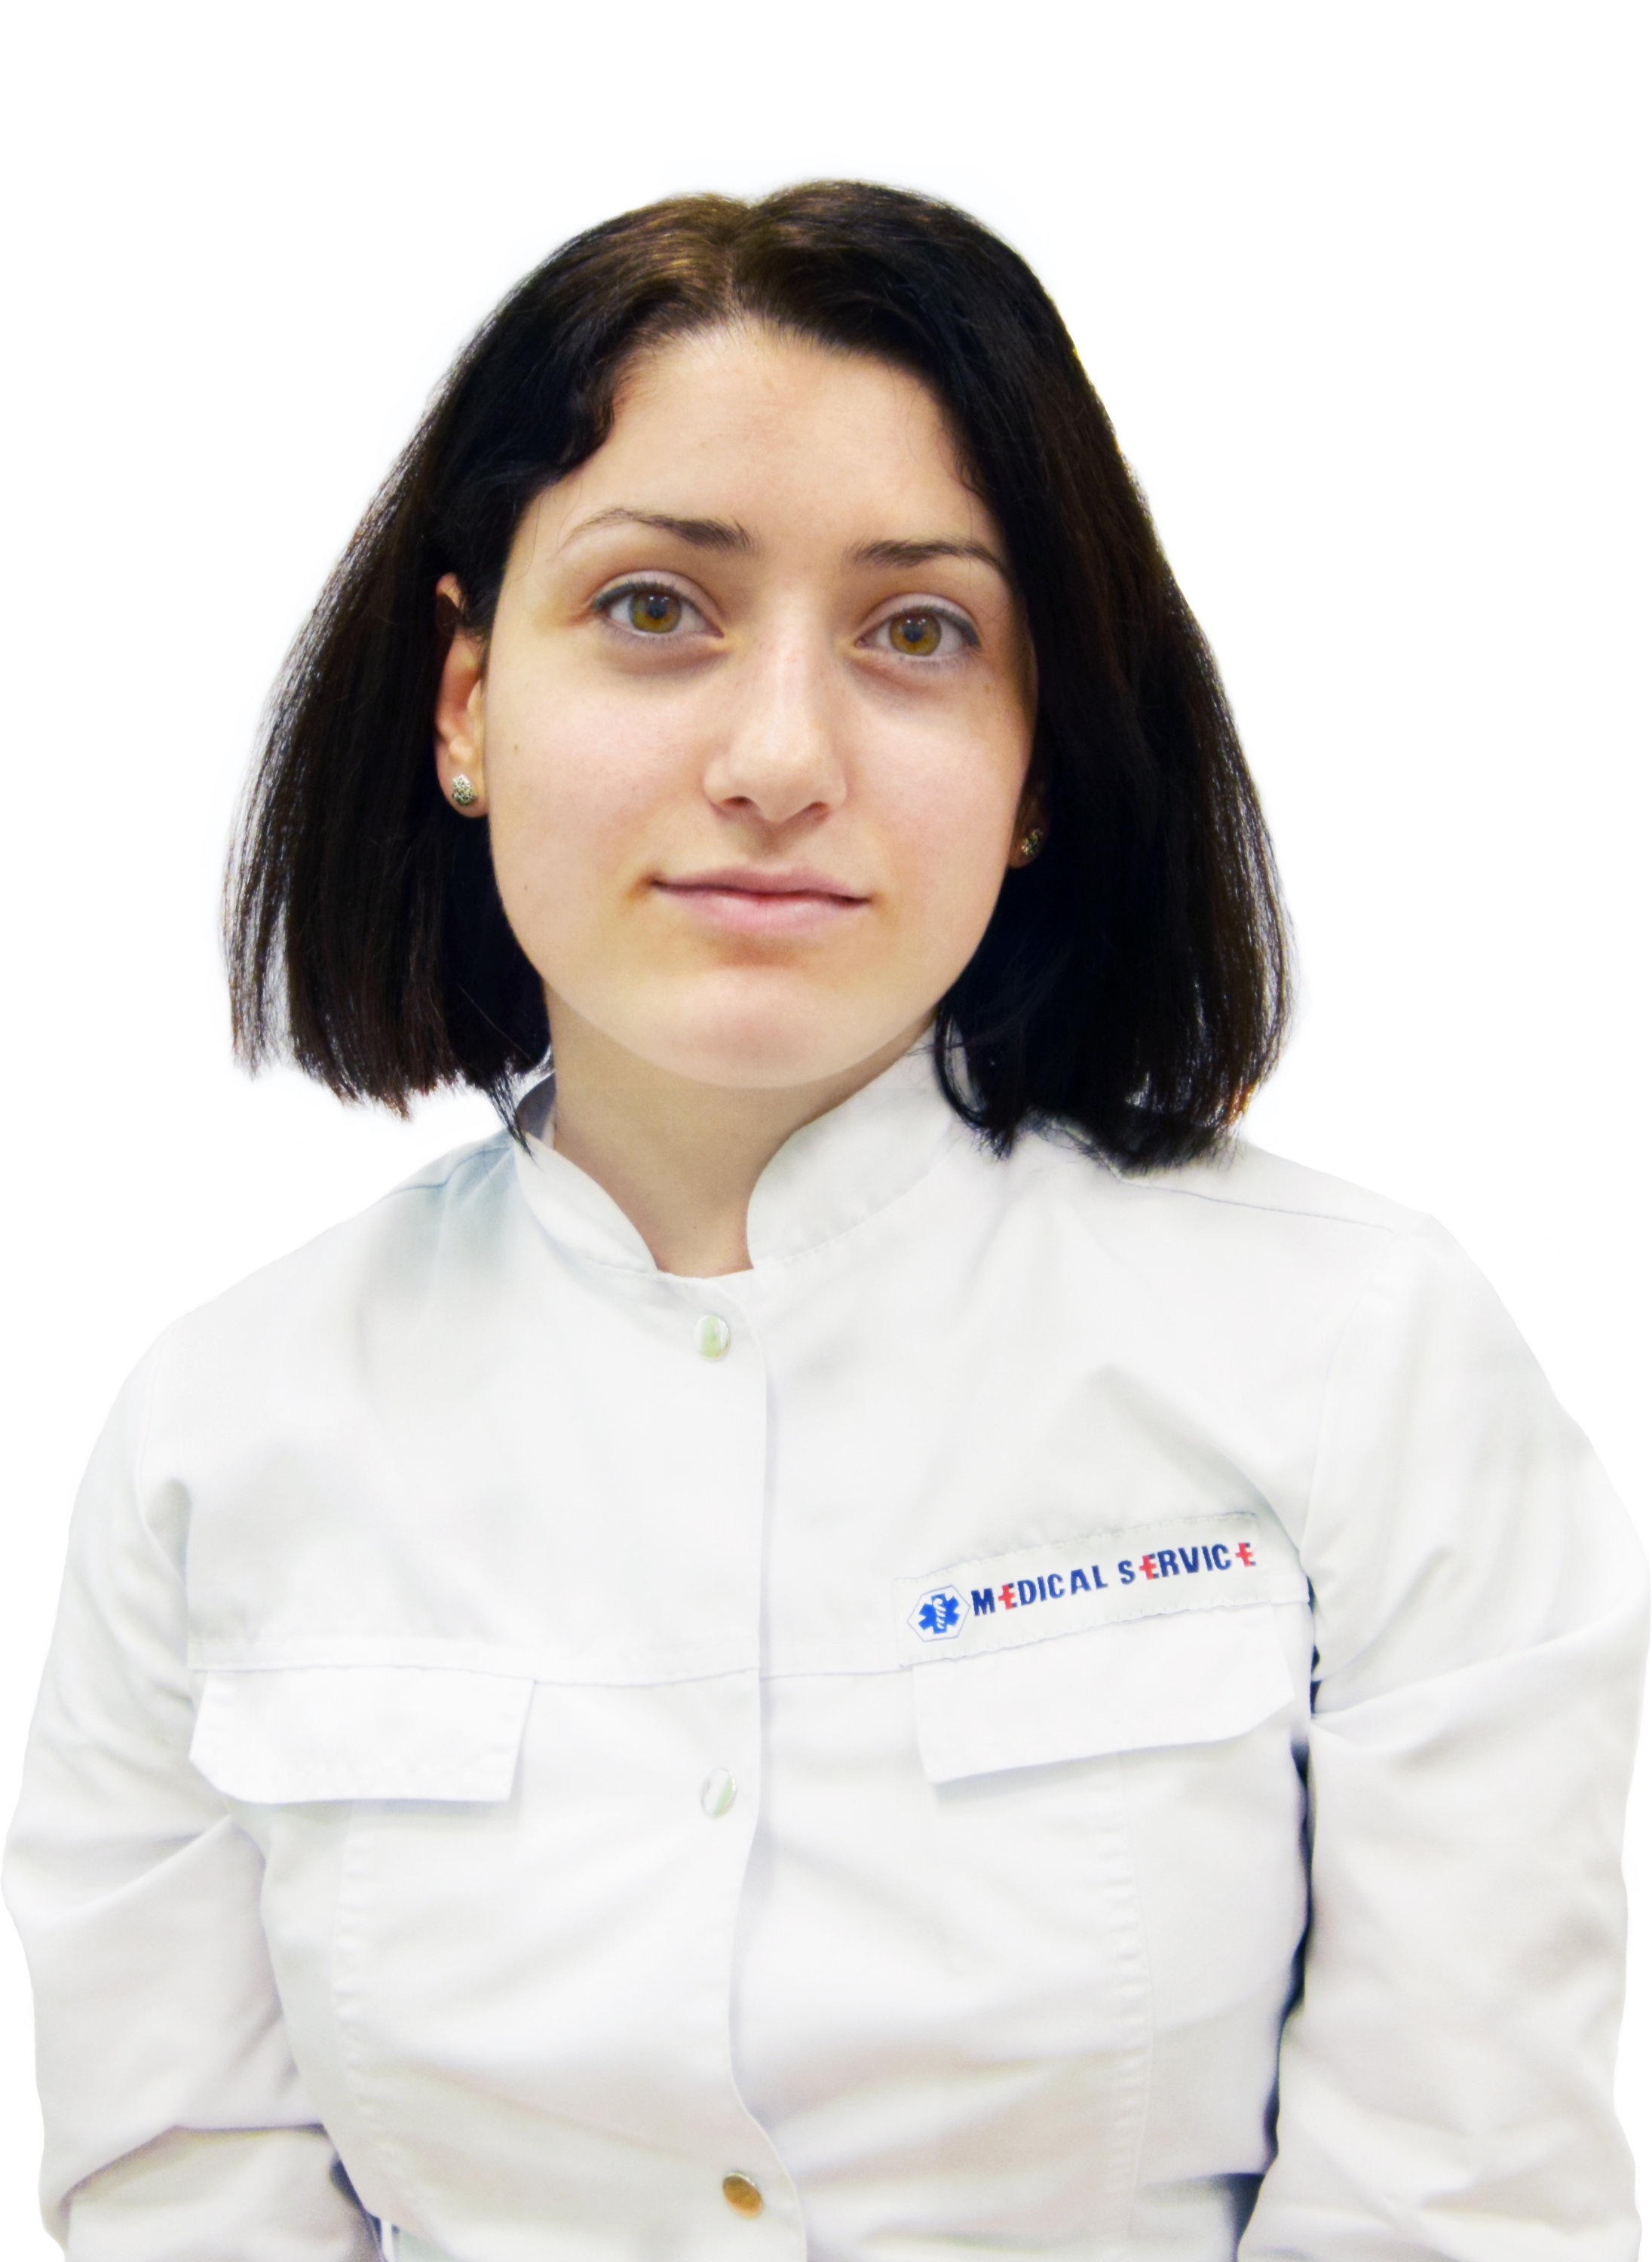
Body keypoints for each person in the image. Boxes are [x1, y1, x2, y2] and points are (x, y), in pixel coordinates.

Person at [4, 181, 1643, 2262]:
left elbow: (1461, 2201)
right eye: (654, 609)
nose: (780, 759)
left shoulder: (1364, 1360)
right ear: (465, 703)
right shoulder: (218, 1441)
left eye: (919, 633)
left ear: (1039, 766)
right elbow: (184, 2204)